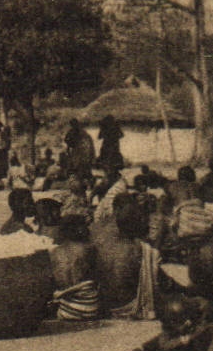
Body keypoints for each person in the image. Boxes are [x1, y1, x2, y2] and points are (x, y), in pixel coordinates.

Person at [94, 192, 169, 321]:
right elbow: (159, 279)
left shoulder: (99, 234)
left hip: (105, 305)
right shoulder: (138, 247)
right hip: (130, 306)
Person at [49, 214, 101, 321]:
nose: (88, 229)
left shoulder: (54, 252)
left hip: (65, 311)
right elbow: (98, 277)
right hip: (89, 308)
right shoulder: (89, 249)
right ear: (78, 229)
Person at [61, 119, 96, 183]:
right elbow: (67, 141)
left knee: (80, 166)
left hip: (81, 152)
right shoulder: (82, 132)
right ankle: (85, 181)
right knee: (79, 167)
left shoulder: (81, 133)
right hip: (80, 152)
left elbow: (67, 141)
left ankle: (85, 181)